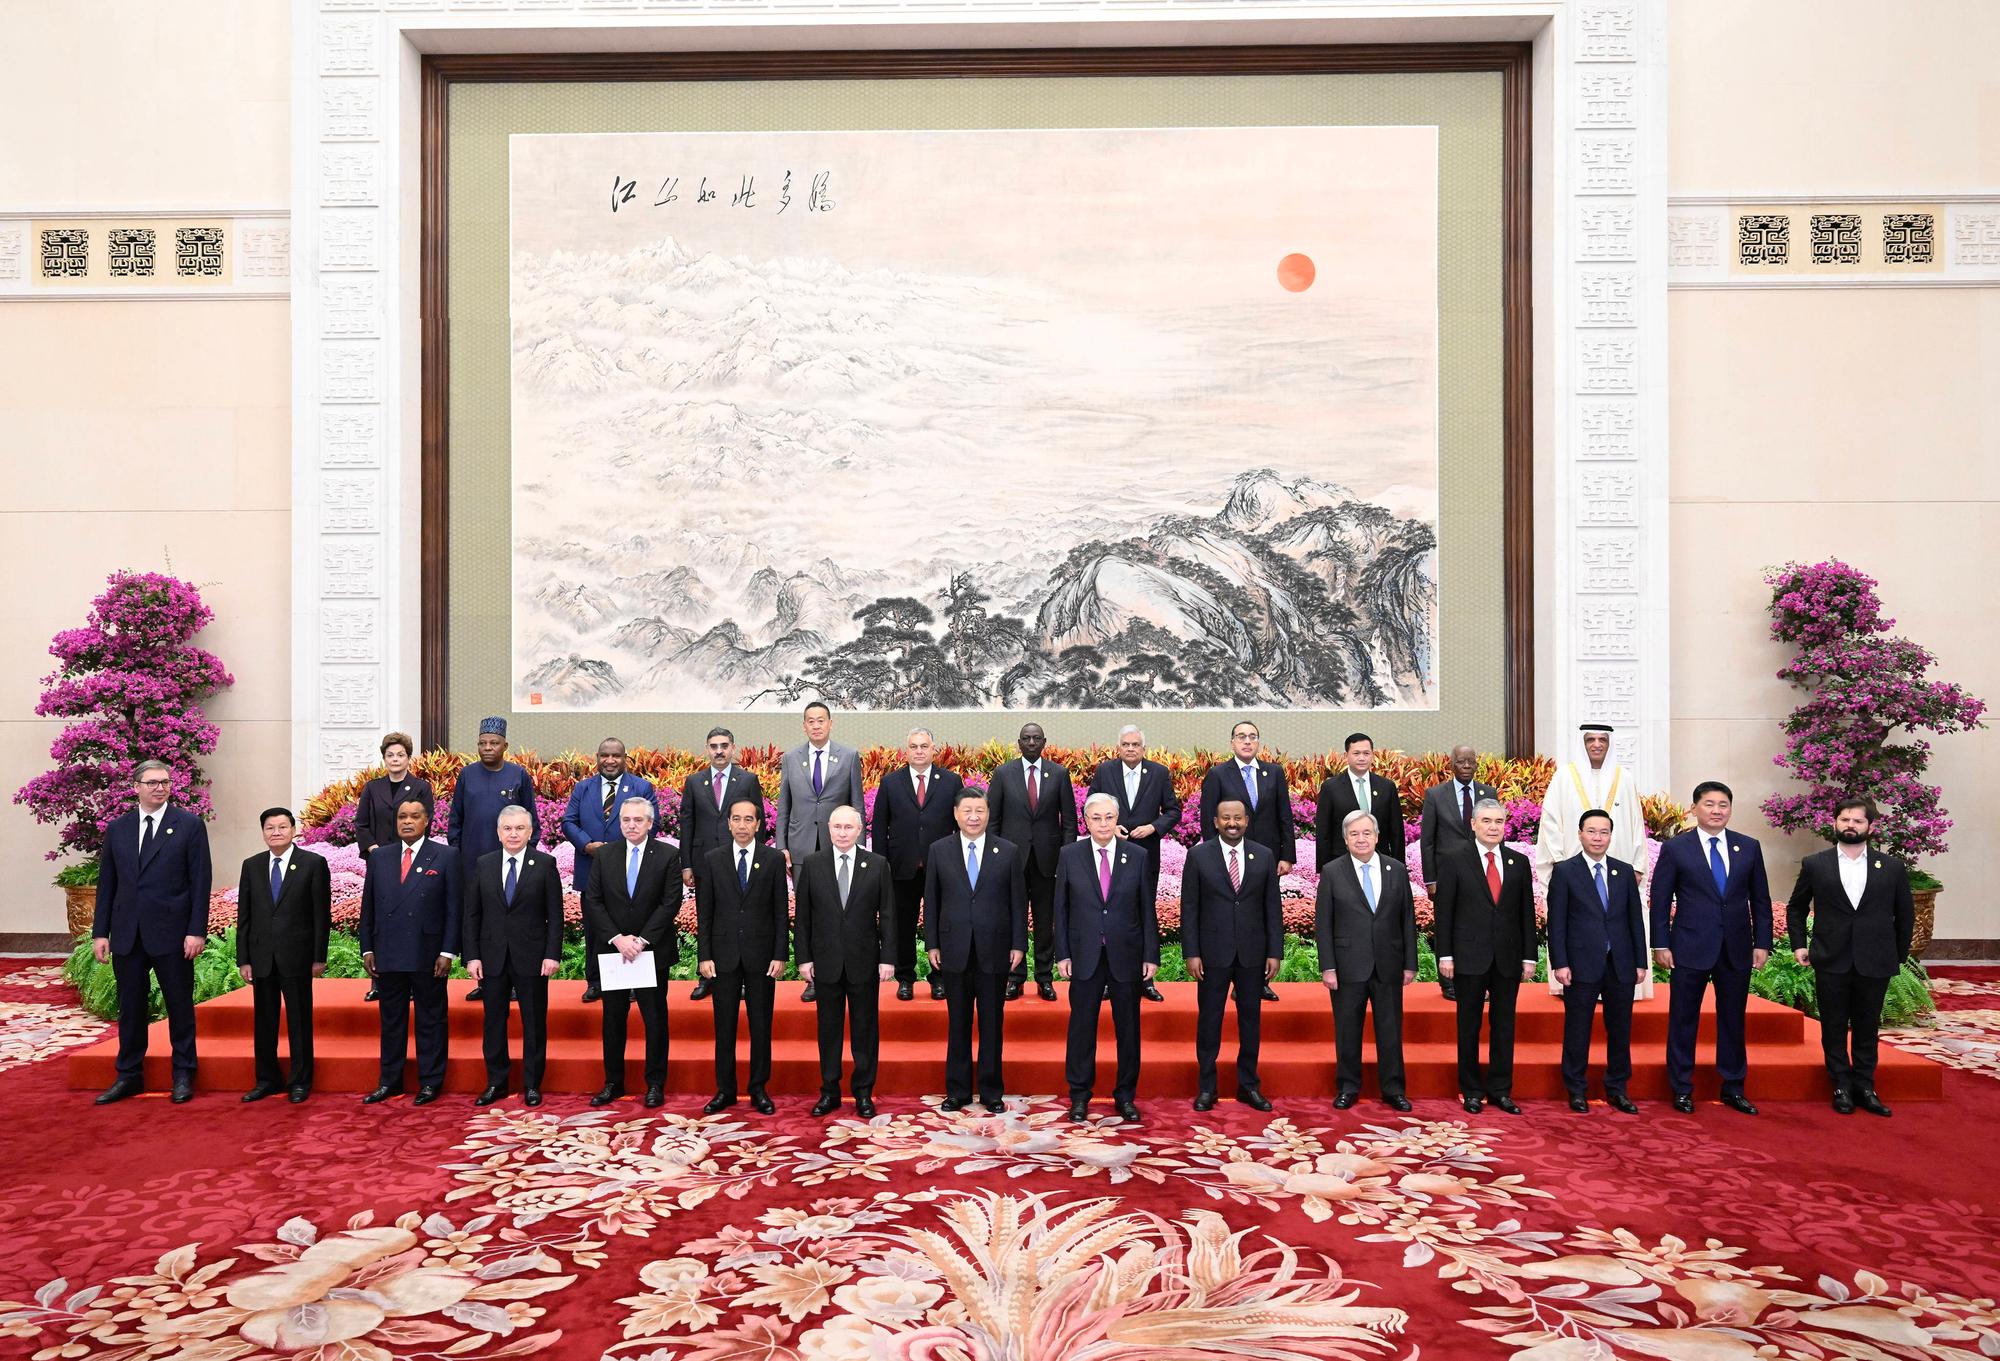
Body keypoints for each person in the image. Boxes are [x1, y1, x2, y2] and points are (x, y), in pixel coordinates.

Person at [90, 760, 213, 1105]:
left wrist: (196, 931)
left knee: (179, 1005)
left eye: (165, 782)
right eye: (152, 782)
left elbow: (200, 882)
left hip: (173, 934)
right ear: (136, 787)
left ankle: (184, 1073)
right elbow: (108, 883)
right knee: (130, 1007)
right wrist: (101, 932)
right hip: (128, 933)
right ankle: (129, 1075)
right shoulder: (118, 828)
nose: (160, 787)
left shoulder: (188, 826)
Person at [1787, 797, 1915, 1116]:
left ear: (1870, 827)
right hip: (1831, 958)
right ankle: (1841, 1086)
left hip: (1876, 960)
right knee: (1832, 1025)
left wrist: (1898, 955)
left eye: (1858, 821)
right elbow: (1796, 907)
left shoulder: (1893, 867)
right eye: (1844, 819)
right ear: (1835, 823)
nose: (1850, 825)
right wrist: (1799, 944)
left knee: (1867, 1025)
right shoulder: (1816, 864)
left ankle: (1865, 1086)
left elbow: (1905, 914)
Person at [1650, 780, 1772, 1115]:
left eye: (1723, 805)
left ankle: (1733, 1086)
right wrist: (1660, 942)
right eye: (1709, 804)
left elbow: (1760, 900)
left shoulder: (1748, 847)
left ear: (1730, 809)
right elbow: (1659, 901)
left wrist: (1762, 942)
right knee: (1683, 1018)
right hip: (1689, 945)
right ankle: (1681, 1087)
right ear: (1694, 808)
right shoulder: (1677, 848)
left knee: (1733, 1019)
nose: (1716, 811)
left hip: (1736, 947)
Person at [1054, 793, 1161, 1123]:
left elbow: (1147, 909)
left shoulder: (1138, 856)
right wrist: (1063, 953)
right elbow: (1061, 908)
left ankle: (1125, 1095)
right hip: (1085, 954)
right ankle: (1080, 1096)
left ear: (1117, 819)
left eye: (1109, 817)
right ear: (1086, 820)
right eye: (1096, 818)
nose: (1103, 824)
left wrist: (1150, 954)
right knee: (1082, 1028)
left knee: (1127, 1029)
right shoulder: (1070, 855)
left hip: (1126, 955)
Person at [923, 787, 1027, 1113]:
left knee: (992, 1023)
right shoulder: (939, 851)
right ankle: (957, 1091)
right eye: (967, 810)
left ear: (988, 813)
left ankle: (991, 1091)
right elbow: (933, 900)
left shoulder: (1007, 851)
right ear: (955, 814)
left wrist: (1018, 944)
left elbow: (1017, 903)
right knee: (958, 1023)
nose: (973, 817)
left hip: (994, 949)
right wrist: (932, 944)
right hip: (953, 948)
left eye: (979, 810)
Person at [1433, 798, 1538, 1114]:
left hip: (1507, 957)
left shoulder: (1517, 863)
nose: (1494, 827)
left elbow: (1526, 914)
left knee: (1504, 1025)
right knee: (1469, 1026)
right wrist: (1446, 955)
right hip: (1468, 956)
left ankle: (1501, 1090)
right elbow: (1445, 912)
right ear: (1474, 824)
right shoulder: (1453, 860)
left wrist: (1529, 956)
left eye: (1498, 822)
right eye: (1487, 821)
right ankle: (1472, 1091)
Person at [793, 805, 895, 1117]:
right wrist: (804, 958)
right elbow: (804, 918)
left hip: (864, 960)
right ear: (828, 829)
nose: (841, 833)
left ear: (860, 830)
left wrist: (888, 958)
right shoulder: (813, 864)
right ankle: (829, 1091)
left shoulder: (876, 865)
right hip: (825, 961)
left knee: (865, 1029)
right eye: (836, 827)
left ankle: (863, 1092)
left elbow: (889, 916)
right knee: (829, 1030)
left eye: (848, 827)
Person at [1180, 798, 1280, 1111]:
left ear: (1247, 821)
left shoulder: (1263, 855)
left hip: (1252, 953)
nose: (1232, 823)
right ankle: (1207, 1088)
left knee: (1250, 1022)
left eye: (1237, 818)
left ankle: (1248, 1086)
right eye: (1226, 818)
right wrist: (1192, 952)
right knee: (1210, 1022)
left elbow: (1271, 908)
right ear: (1215, 821)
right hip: (1211, 954)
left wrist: (1274, 951)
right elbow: (1190, 907)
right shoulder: (1198, 855)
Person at [359, 796, 459, 1105]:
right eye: (402, 816)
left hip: (428, 953)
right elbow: (369, 908)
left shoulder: (445, 856)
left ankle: (430, 1081)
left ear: (426, 821)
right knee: (391, 1020)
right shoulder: (380, 857)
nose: (406, 821)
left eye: (414, 816)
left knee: (430, 1019)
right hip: (388, 951)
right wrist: (367, 949)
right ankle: (390, 1081)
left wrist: (448, 951)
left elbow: (454, 909)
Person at [1316, 810, 1417, 1112]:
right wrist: (1328, 966)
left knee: (1390, 1030)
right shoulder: (1333, 871)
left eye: (1366, 833)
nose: (1361, 839)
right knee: (1347, 1030)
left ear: (1376, 836)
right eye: (1354, 834)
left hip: (1388, 963)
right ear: (1345, 840)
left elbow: (1407, 918)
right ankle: (1348, 1087)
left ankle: (1394, 1089)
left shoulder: (1396, 869)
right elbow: (1324, 923)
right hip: (1348, 965)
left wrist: (1410, 963)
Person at [1547, 808, 1646, 1114]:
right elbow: (1557, 922)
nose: (1598, 838)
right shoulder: (1565, 871)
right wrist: (1559, 962)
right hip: (1580, 964)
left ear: (1610, 836)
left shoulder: (1623, 871)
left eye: (1604, 832)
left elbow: (1634, 920)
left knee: (1620, 1029)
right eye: (1591, 831)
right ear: (1580, 834)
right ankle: (1576, 1089)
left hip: (1621, 963)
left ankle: (1617, 1088)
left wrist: (1640, 961)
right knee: (1578, 1028)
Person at [582, 796, 678, 1108]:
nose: (632, 825)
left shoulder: (667, 855)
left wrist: (641, 940)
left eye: (638, 820)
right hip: (614, 952)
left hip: (650, 951)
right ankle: (613, 1082)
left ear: (650, 823)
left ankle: (655, 1083)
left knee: (654, 1019)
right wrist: (617, 939)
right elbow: (593, 901)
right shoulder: (605, 855)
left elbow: (669, 903)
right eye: (626, 820)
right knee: (613, 1019)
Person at [463, 806, 562, 1107]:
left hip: (532, 957)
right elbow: (472, 914)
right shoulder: (484, 864)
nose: (514, 833)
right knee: (494, 1021)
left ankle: (532, 1084)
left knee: (534, 1022)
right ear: (498, 832)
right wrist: (472, 955)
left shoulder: (544, 864)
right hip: (492, 956)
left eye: (520, 828)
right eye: (508, 828)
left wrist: (552, 954)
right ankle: (497, 1082)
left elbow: (555, 915)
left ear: (531, 832)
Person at [696, 798, 789, 1115]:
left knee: (761, 1025)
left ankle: (759, 1089)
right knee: (724, 1027)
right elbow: (704, 911)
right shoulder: (712, 859)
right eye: (736, 819)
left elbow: (780, 912)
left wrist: (780, 954)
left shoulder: (773, 859)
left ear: (759, 824)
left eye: (748, 819)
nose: (742, 825)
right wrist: (704, 954)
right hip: (722, 957)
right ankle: (725, 1089)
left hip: (762, 956)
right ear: (729, 823)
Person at [234, 807, 331, 1103]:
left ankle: (300, 1081)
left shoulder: (312, 863)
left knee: (299, 1021)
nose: (276, 832)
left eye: (282, 827)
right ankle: (266, 1079)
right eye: (270, 828)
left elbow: (320, 914)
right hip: (262, 956)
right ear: (263, 832)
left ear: (293, 829)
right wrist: (244, 958)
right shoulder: (252, 865)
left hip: (298, 956)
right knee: (264, 1022)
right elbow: (245, 916)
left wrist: (318, 955)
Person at [775, 702, 865, 1003]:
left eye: (821, 720)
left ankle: (842, 971)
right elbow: (784, 805)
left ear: (830, 723)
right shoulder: (791, 758)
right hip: (801, 848)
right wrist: (782, 846)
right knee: (807, 914)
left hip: (838, 847)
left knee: (838, 911)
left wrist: (858, 844)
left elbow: (857, 804)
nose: (816, 725)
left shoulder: (849, 756)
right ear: (804, 726)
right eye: (810, 721)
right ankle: (812, 977)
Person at [1198, 723, 1295, 998]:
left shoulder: (1273, 772)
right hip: (1228, 858)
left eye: (1253, 737)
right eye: (1242, 737)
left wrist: (1286, 855)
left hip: (1265, 861)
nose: (1247, 742)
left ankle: (1257, 980)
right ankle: (1230, 976)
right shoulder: (1218, 774)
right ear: (1232, 743)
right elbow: (1209, 819)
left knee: (1262, 914)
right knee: (1230, 912)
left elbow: (1284, 815)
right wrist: (1211, 858)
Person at [447, 717, 539, 1002]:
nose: (488, 748)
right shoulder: (467, 775)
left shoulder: (518, 775)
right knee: (479, 921)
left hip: (510, 865)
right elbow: (455, 822)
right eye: (483, 743)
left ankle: (511, 982)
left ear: (505, 745)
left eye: (494, 743)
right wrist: (458, 855)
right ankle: (485, 981)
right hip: (474, 865)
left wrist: (526, 856)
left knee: (508, 921)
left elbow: (530, 820)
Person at [561, 737, 657, 1005]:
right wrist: (586, 844)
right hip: (591, 869)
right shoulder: (583, 788)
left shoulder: (640, 786)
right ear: (597, 757)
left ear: (625, 758)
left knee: (631, 926)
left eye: (616, 755)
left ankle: (633, 983)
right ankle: (596, 982)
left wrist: (621, 848)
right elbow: (569, 821)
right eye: (605, 755)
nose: (610, 760)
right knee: (595, 928)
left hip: (631, 870)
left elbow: (653, 823)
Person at [984, 722, 1076, 1001]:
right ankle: (1015, 977)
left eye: (1037, 738)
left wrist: (1067, 859)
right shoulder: (1003, 774)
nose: (1032, 742)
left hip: (1047, 861)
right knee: (1014, 919)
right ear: (1019, 742)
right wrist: (994, 858)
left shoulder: (1059, 774)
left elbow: (1069, 822)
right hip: (1012, 860)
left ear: (1045, 742)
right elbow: (993, 821)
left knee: (1045, 920)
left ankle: (1045, 978)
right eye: (1027, 738)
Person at [1087, 726, 1181, 999]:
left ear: (1143, 748)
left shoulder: (1159, 773)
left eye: (1136, 744)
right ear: (1118, 747)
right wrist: (1111, 827)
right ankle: (1108, 978)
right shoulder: (1105, 771)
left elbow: (1173, 810)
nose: (1130, 748)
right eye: (1126, 744)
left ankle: (1146, 979)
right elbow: (1092, 803)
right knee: (1109, 914)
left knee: (1143, 914)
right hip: (1109, 853)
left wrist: (1154, 827)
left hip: (1145, 854)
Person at [871, 727, 964, 1000]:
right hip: (901, 867)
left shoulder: (951, 781)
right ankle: (905, 978)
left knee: (941, 923)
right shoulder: (891, 782)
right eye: (914, 746)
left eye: (924, 746)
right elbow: (879, 827)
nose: (919, 751)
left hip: (941, 867)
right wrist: (882, 865)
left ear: (933, 749)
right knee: (903, 924)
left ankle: (940, 978)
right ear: (906, 750)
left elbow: (959, 826)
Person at [679, 727, 767, 1001]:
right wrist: (686, 864)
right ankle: (706, 976)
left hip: (739, 863)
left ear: (733, 748)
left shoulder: (748, 779)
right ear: (707, 749)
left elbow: (758, 822)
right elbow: (687, 824)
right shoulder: (694, 782)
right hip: (705, 864)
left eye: (724, 745)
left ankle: (739, 977)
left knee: (739, 918)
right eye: (714, 746)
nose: (719, 750)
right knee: (707, 918)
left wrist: (759, 860)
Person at [354, 732, 435, 1001]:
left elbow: (426, 821)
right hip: (380, 862)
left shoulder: (421, 787)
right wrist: (375, 851)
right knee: (379, 918)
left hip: (411, 861)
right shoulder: (372, 788)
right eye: (390, 755)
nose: (395, 759)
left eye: (400, 755)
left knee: (411, 917)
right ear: (384, 758)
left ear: (408, 758)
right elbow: (362, 824)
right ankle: (378, 981)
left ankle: (411, 981)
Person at [1537, 723, 1649, 891]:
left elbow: (1636, 825)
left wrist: (1638, 866)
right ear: (1583, 743)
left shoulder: (1624, 778)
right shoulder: (1564, 777)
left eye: (1602, 739)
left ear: (1609, 743)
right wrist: (1559, 861)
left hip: (1619, 864)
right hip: (1573, 864)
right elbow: (1550, 822)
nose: (1597, 744)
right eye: (1591, 739)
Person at [1315, 732, 1407, 869]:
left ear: (1372, 756)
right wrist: (1324, 869)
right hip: (1341, 863)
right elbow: (1323, 831)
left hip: (1380, 861)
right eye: (1356, 753)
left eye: (1366, 753)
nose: (1362, 758)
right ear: (1346, 756)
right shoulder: (1331, 787)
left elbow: (1396, 831)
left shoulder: (1386, 787)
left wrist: (1399, 867)